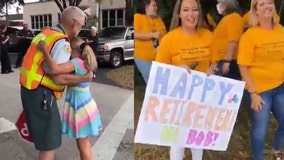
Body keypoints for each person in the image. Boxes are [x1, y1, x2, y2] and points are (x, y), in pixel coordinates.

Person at [19, 6, 93, 160]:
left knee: (44, 139)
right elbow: (57, 77)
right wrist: (84, 78)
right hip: (43, 94)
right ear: (74, 23)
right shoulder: (62, 42)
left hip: (29, 88)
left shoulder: (44, 34)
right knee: (49, 143)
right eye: (81, 25)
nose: (81, 28)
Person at [155, 0, 214, 159]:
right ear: (179, 13)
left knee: (197, 136)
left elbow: (215, 61)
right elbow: (159, 72)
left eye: (195, 10)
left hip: (202, 96)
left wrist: (213, 68)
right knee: (177, 140)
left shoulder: (208, 36)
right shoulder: (169, 39)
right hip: (178, 98)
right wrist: (176, 70)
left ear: (199, 13)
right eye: (186, 10)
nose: (191, 14)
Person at [37, 37, 102, 160]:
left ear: (72, 50)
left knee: (83, 144)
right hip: (85, 102)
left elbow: (55, 69)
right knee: (83, 142)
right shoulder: (85, 62)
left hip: (80, 106)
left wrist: (44, 51)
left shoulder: (76, 62)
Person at [237, 0, 284, 160]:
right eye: (262, 4)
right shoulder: (250, 36)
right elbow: (243, 67)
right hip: (259, 91)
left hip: (280, 87)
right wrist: (253, 93)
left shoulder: (281, 30)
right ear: (255, 10)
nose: (267, 6)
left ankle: (277, 150)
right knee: (260, 130)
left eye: (269, 2)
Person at [134, 0, 166, 84]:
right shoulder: (138, 17)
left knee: (161, 82)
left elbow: (164, 36)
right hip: (143, 57)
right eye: (154, 5)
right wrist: (152, 35)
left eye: (156, 6)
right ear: (146, 7)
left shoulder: (159, 19)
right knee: (152, 82)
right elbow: (135, 34)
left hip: (159, 57)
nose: (156, 8)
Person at [211, 0, 243, 80]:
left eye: (219, 3)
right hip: (222, 62)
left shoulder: (234, 17)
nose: (218, 6)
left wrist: (227, 61)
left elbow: (233, 41)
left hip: (229, 62)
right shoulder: (226, 19)